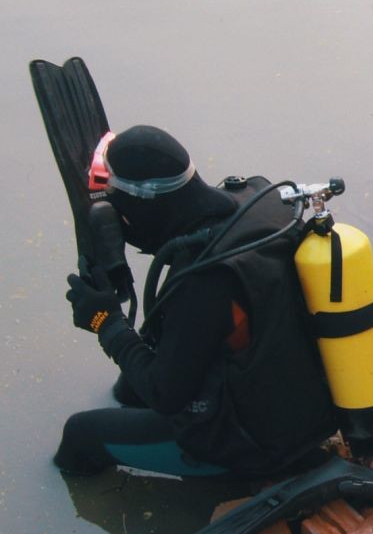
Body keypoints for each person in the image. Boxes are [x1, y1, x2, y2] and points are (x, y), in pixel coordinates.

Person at [56, 125, 338, 478]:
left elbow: (165, 394)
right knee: (128, 388)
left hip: (256, 441)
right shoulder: (257, 197)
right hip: (302, 401)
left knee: (80, 435)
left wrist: (105, 322)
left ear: (146, 206)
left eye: (120, 211)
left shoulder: (204, 278)